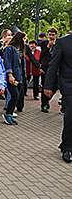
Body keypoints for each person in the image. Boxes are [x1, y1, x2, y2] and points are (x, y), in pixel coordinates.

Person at [43, 32, 72, 163]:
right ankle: (68, 148)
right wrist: (48, 85)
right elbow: (53, 65)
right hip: (69, 86)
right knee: (70, 117)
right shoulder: (63, 42)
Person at [39, 27, 59, 112]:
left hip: (55, 68)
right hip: (45, 67)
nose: (51, 36)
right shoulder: (44, 43)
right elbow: (41, 56)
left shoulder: (59, 43)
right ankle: (44, 104)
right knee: (45, 86)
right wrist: (47, 47)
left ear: (56, 35)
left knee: (55, 86)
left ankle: (47, 100)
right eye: (50, 35)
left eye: (53, 35)